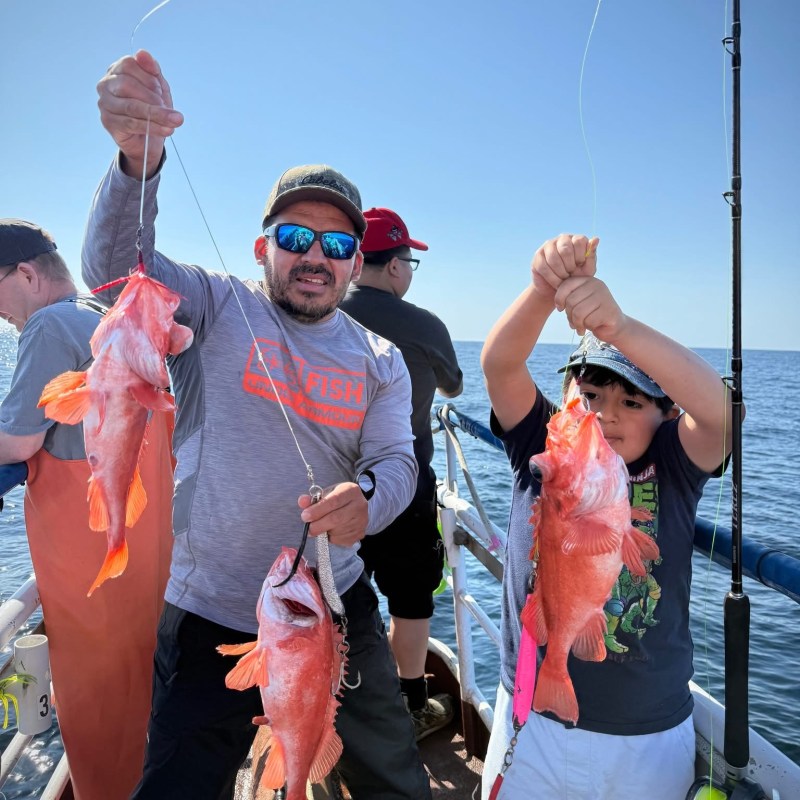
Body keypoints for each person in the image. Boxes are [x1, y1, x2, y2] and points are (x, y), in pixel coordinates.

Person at [86, 50, 431, 800]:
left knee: (394, 783)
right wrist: (135, 164)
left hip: (333, 608)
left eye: (338, 246)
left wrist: (368, 500)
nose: (315, 256)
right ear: (262, 247)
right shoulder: (214, 304)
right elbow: (115, 275)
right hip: (210, 607)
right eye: (295, 237)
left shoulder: (382, 359)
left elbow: (399, 464)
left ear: (353, 263)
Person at [479, 233, 732, 799]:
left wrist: (618, 328)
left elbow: (718, 411)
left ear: (667, 415)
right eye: (590, 395)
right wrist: (545, 290)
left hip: (646, 730)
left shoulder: (675, 463)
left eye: (631, 402)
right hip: (529, 710)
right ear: (568, 395)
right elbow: (499, 363)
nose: (604, 416)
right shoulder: (544, 447)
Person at [0, 220, 175, 800]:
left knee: (97, 700)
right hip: (144, 553)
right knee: (143, 684)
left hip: (91, 563)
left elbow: (18, 442)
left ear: (25, 274)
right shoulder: (104, 321)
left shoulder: (48, 324)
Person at [340, 207, 463, 740]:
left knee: (334, 598)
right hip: (404, 484)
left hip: (327, 490)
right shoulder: (423, 325)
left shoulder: (321, 315)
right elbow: (454, 388)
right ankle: (411, 706)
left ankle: (331, 710)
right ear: (394, 268)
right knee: (411, 596)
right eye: (409, 261)